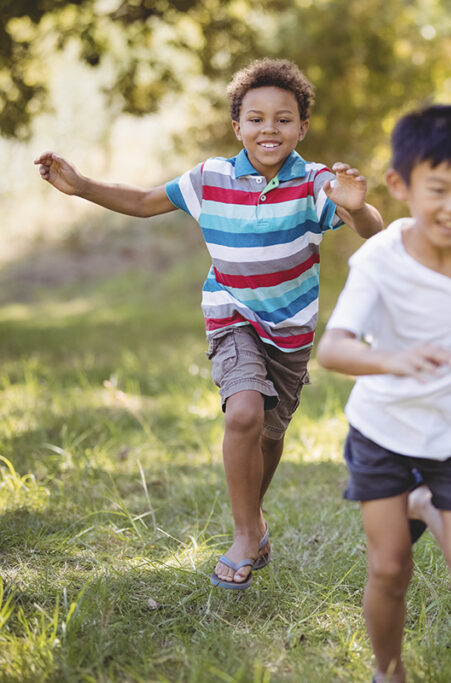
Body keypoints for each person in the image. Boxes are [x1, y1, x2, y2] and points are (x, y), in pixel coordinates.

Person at [34, 58, 384, 590]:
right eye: (257, 118)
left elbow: (372, 230)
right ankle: (246, 535)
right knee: (243, 414)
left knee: (269, 434)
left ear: (302, 128)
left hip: (289, 331)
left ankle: (254, 523)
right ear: (237, 126)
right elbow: (146, 201)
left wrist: (358, 210)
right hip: (232, 317)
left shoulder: (316, 183)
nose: (270, 129)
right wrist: (82, 186)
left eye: (284, 119)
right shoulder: (209, 178)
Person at [317, 104, 451, 683]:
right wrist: (393, 360)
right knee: (389, 568)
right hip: (385, 433)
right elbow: (333, 350)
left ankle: (425, 499)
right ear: (401, 186)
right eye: (439, 189)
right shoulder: (380, 259)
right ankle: (389, 672)